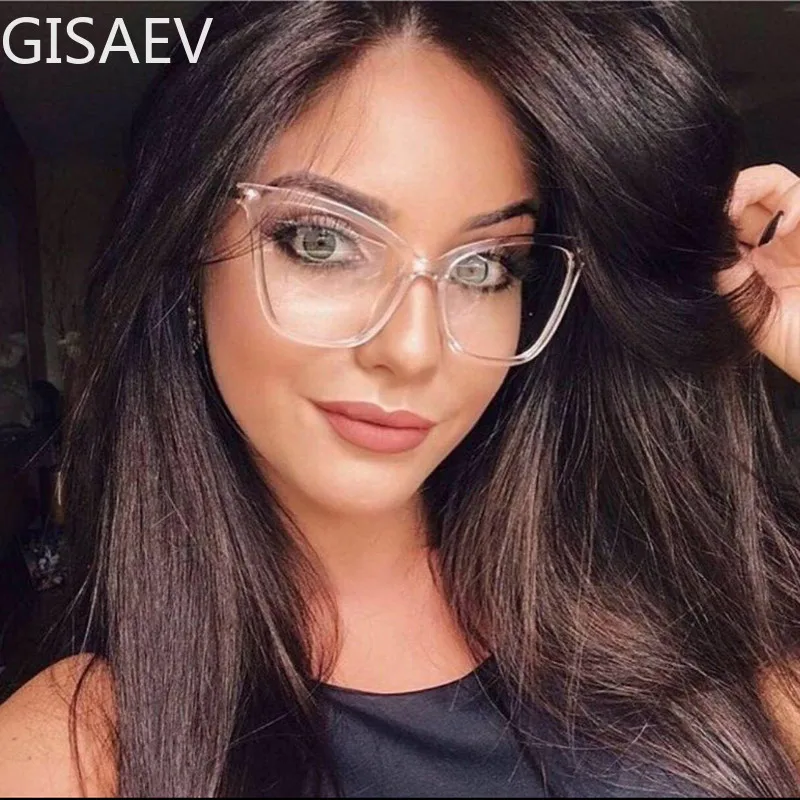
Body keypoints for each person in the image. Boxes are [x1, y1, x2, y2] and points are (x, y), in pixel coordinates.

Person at [1, 1, 800, 796]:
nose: (413, 350)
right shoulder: (81, 753)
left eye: (485, 266)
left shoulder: (685, 625)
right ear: (186, 255)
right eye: (321, 242)